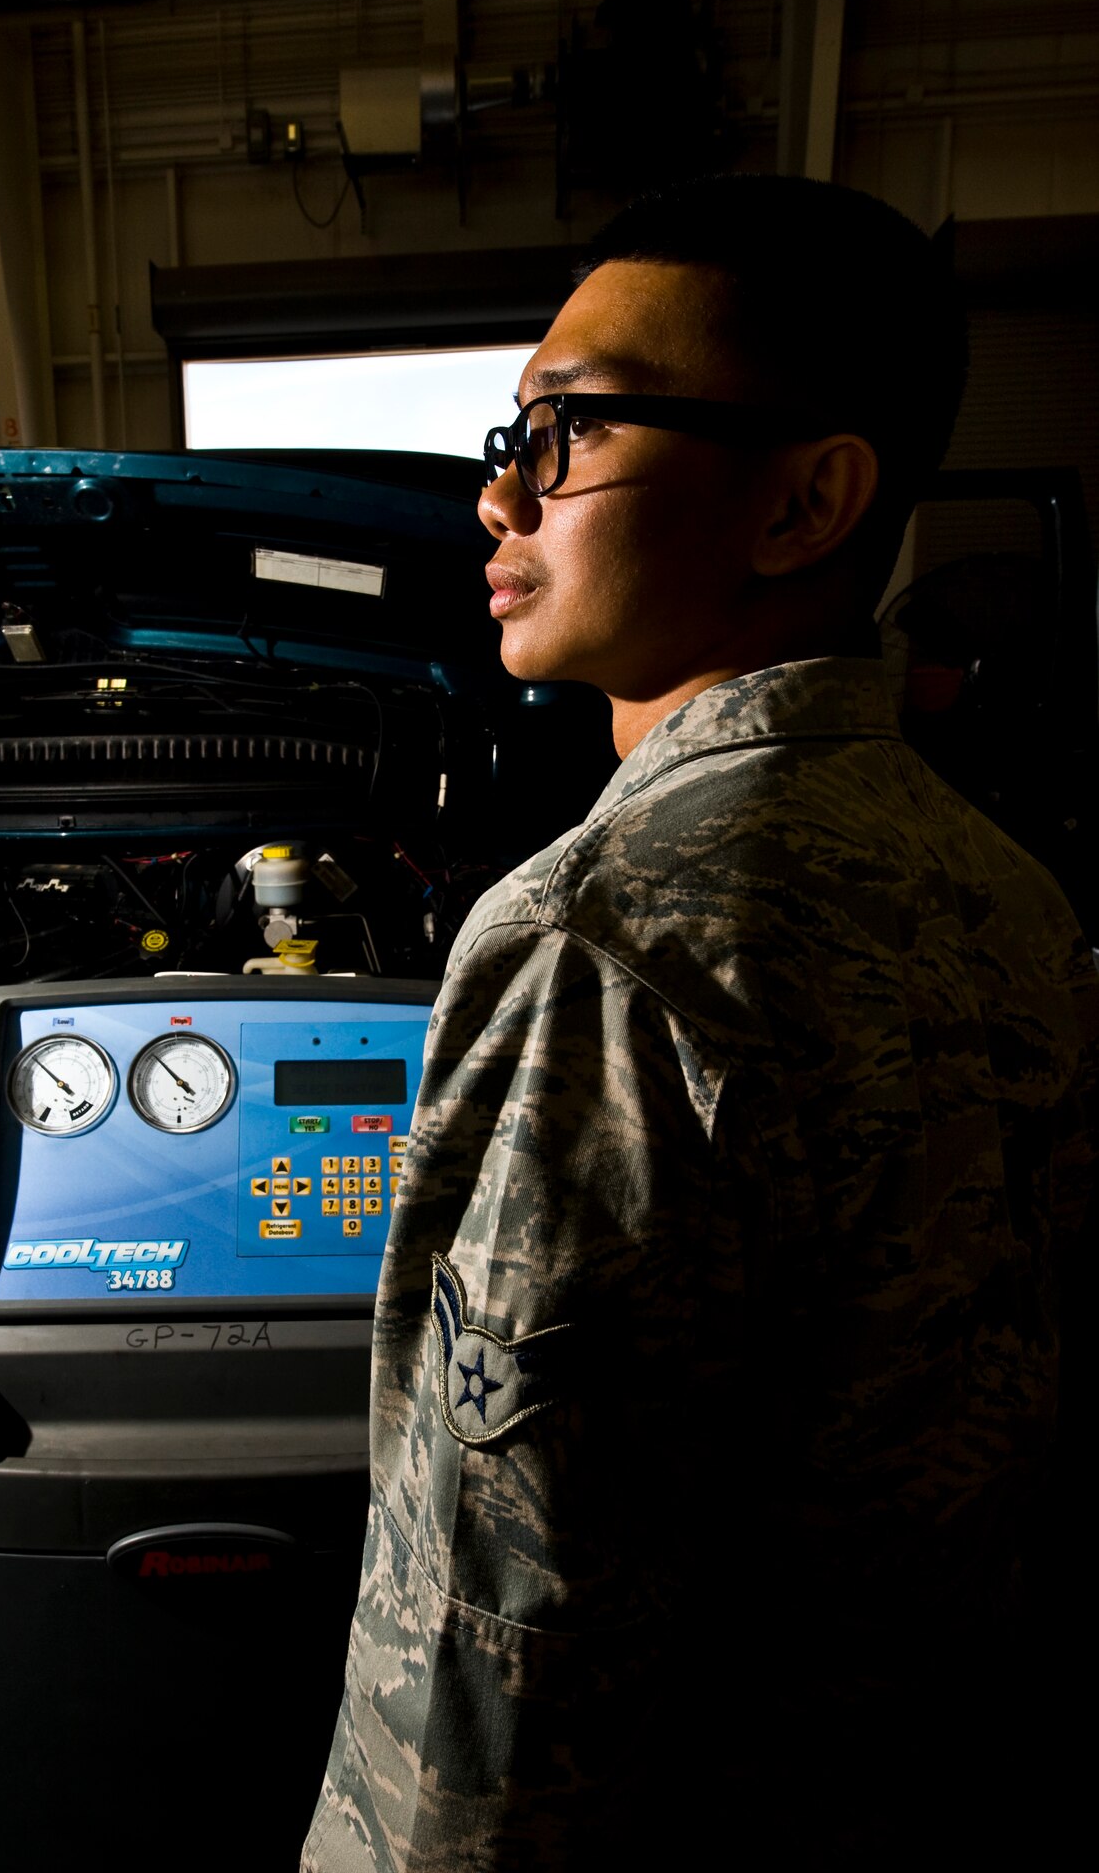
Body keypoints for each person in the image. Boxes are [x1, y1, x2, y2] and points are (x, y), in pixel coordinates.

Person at [302, 173, 1097, 1871]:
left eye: (566, 434)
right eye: (503, 437)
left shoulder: (608, 939)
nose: (499, 502)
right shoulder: (1005, 893)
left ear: (806, 502)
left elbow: (497, 1622)